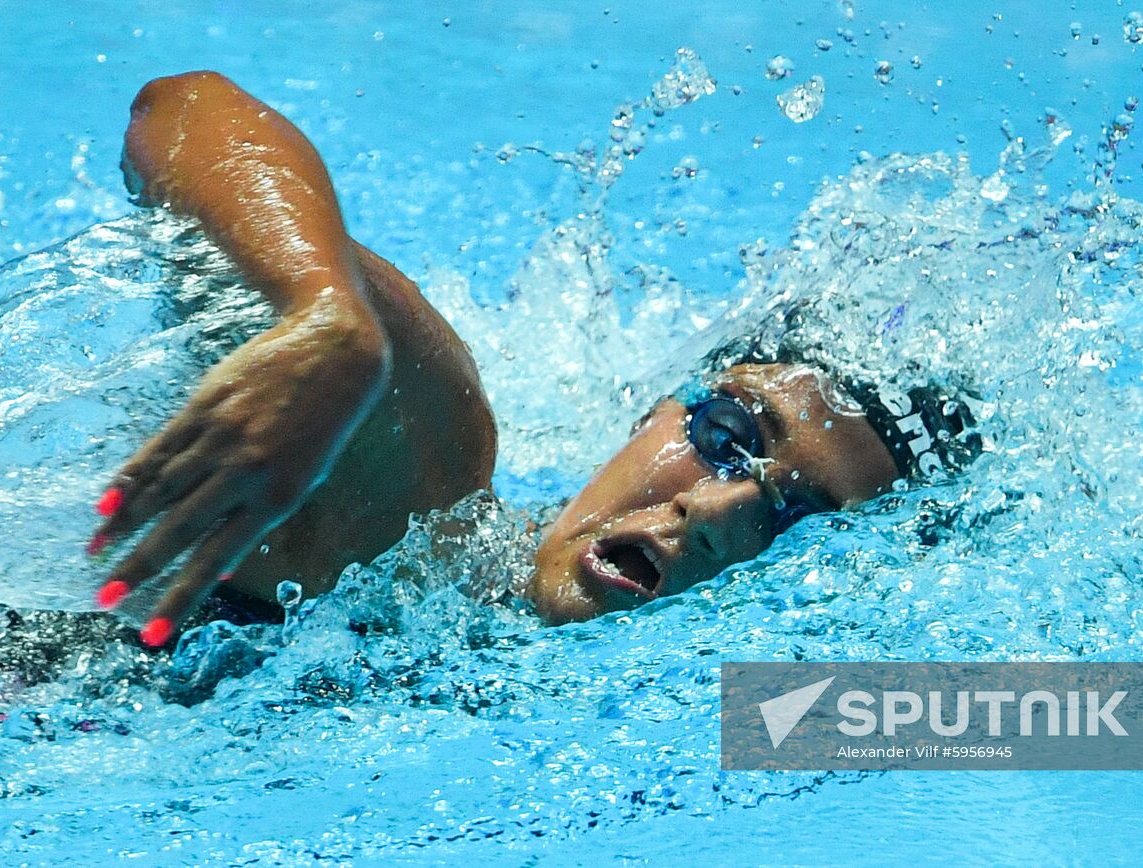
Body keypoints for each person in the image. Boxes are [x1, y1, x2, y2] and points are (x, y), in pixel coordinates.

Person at [88, 71, 981, 647]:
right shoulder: (419, 503)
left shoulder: (739, 716)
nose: (715, 512)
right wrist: (327, 316)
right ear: (657, 410)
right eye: (727, 436)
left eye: (800, 521)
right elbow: (183, 111)